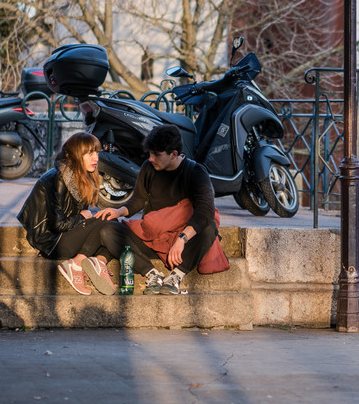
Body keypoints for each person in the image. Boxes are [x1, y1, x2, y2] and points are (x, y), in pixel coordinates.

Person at [16, 132, 156, 295]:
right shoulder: (58, 179)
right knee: (104, 221)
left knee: (110, 222)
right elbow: (56, 224)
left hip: (66, 235)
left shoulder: (81, 176)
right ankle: (76, 265)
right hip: (51, 242)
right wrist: (82, 216)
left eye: (97, 152)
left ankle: (99, 262)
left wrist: (85, 217)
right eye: (90, 153)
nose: (96, 158)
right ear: (76, 154)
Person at [96, 124, 224, 295]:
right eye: (149, 153)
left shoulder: (195, 171)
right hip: (152, 236)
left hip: (181, 243)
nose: (151, 158)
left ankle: (176, 276)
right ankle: (152, 274)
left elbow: (205, 211)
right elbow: (138, 200)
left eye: (156, 154)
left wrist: (182, 239)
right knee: (108, 230)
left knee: (209, 229)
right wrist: (118, 211)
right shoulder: (149, 168)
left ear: (174, 154)